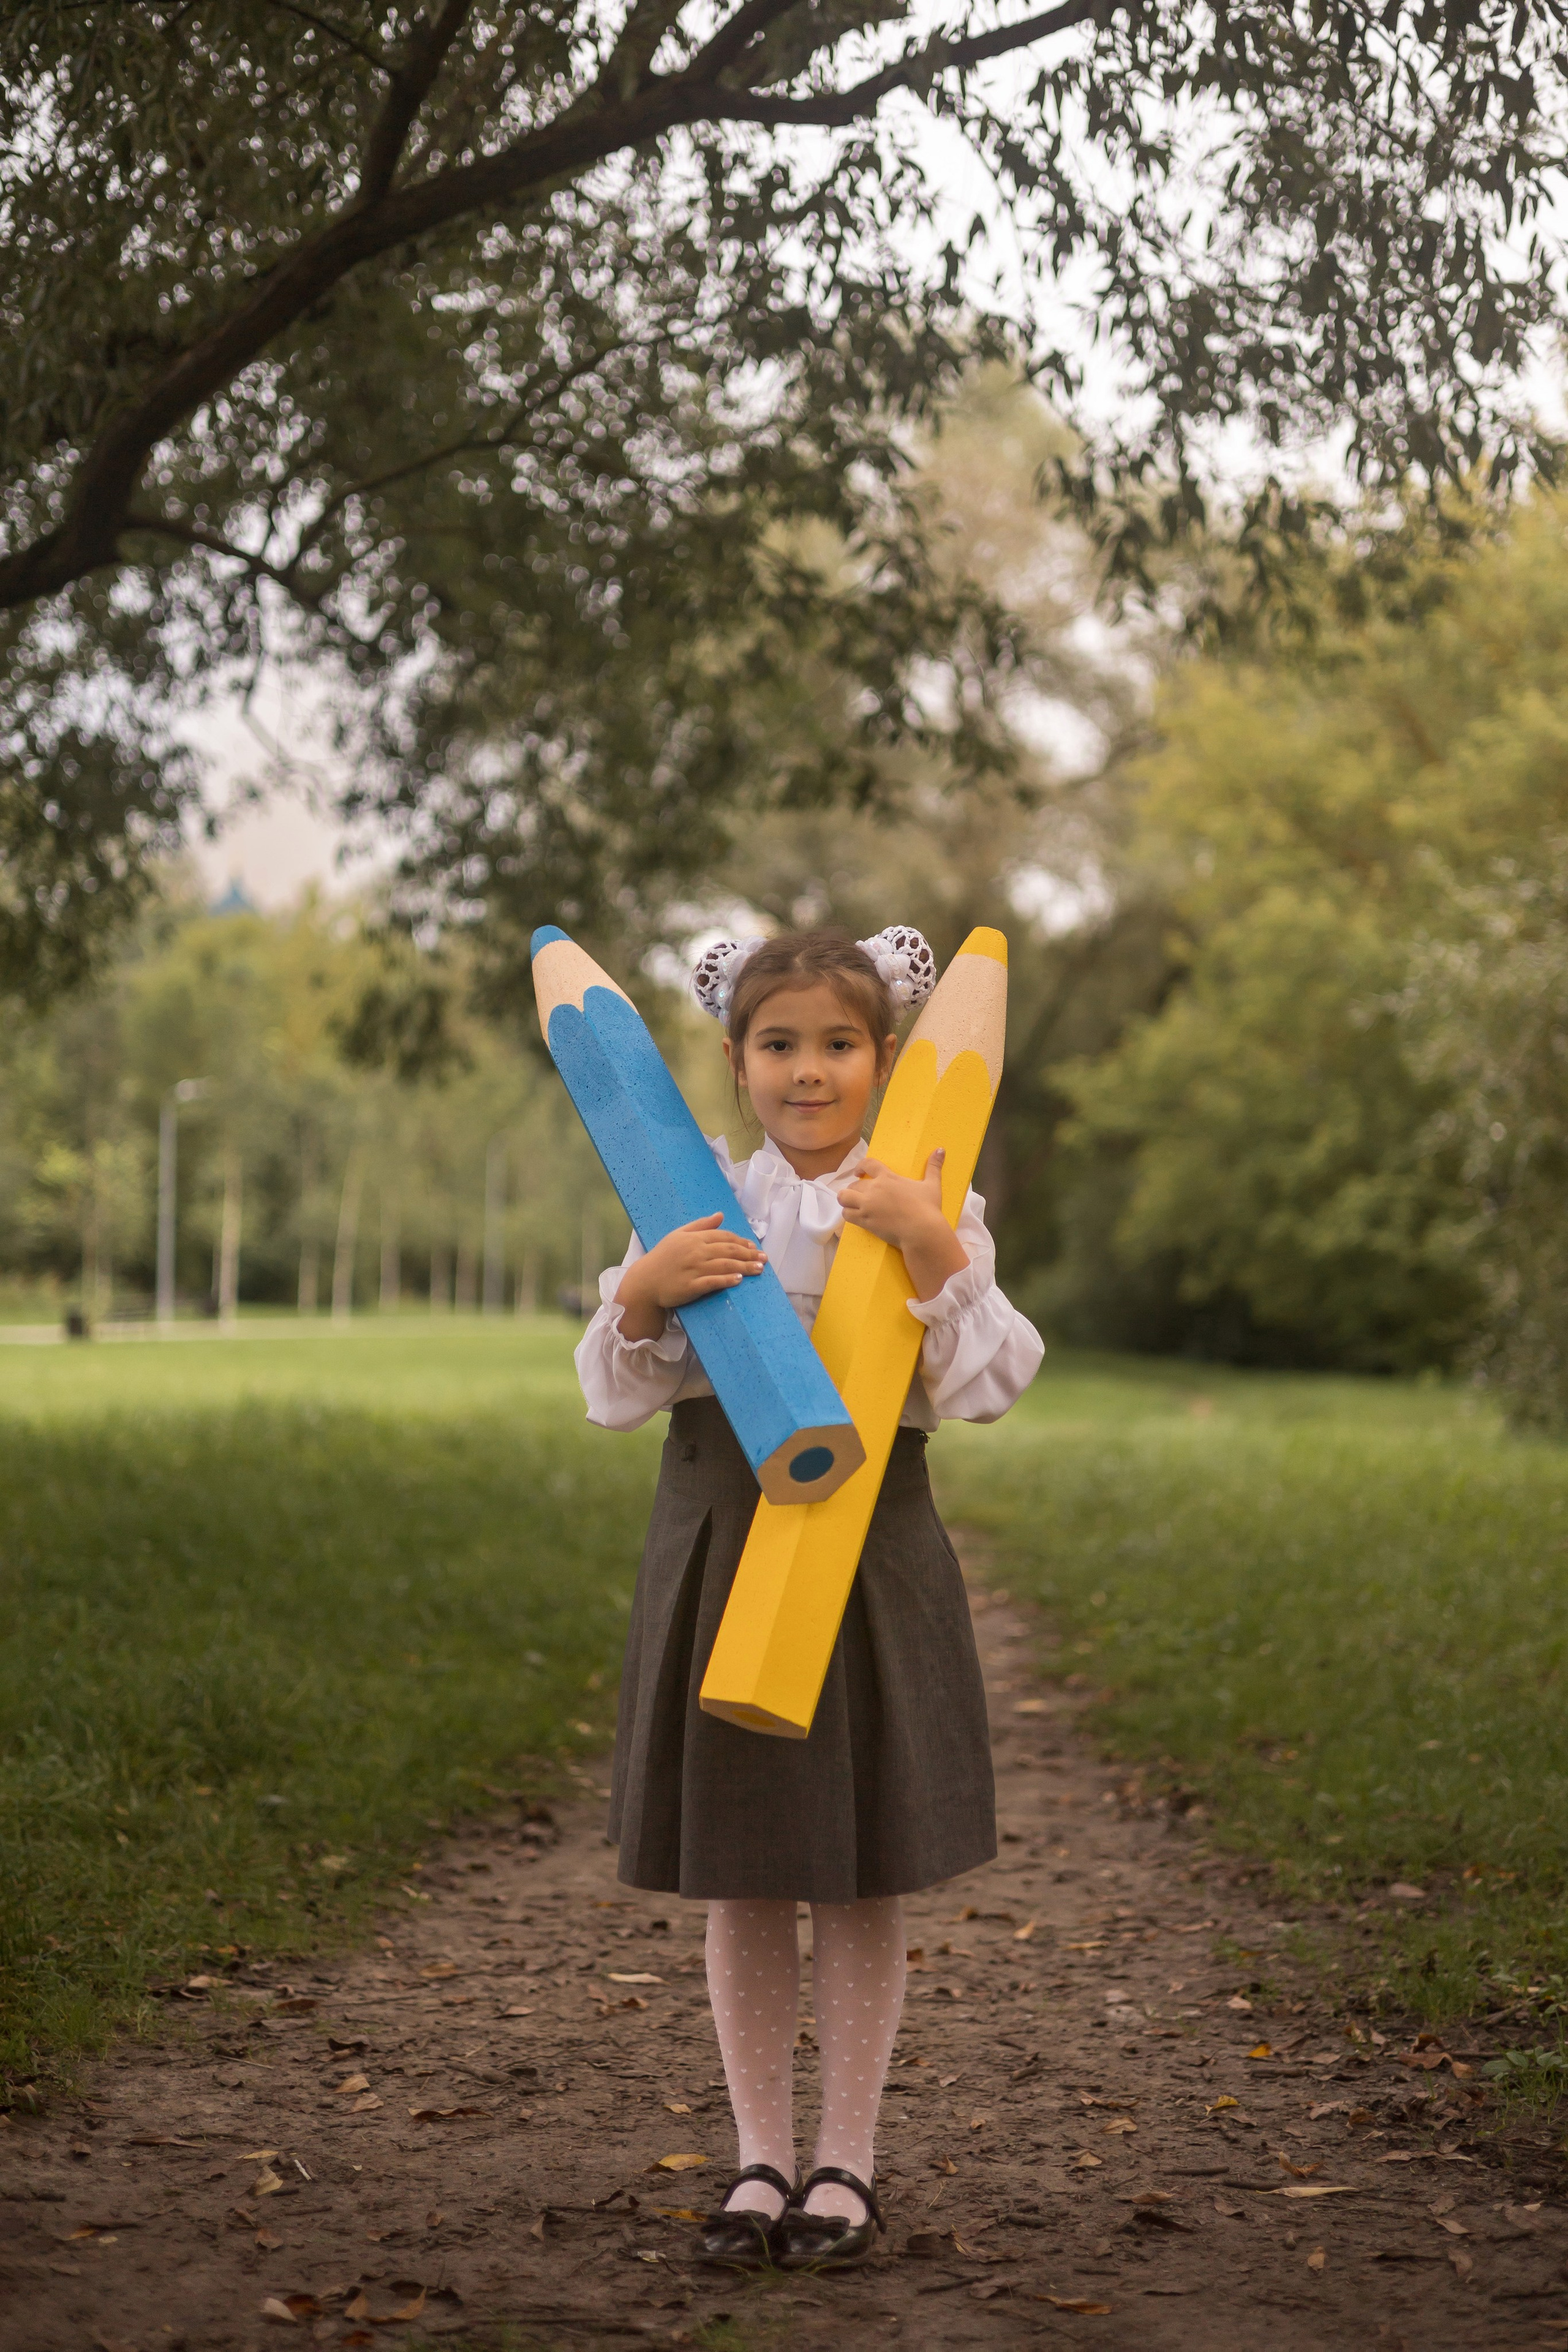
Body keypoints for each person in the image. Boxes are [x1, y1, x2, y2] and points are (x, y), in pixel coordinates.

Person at [574, 927, 1042, 2271]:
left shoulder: (927, 1190)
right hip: (723, 1541)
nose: (808, 1071)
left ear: (882, 1058)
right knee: (743, 1868)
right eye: (778, 1044)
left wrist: (930, 1247)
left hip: (871, 1549)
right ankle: (759, 2157)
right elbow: (613, 1393)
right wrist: (644, 1295)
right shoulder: (692, 1199)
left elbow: (990, 1383)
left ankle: (845, 2162)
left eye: (838, 1044)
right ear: (736, 1063)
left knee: (857, 1866)